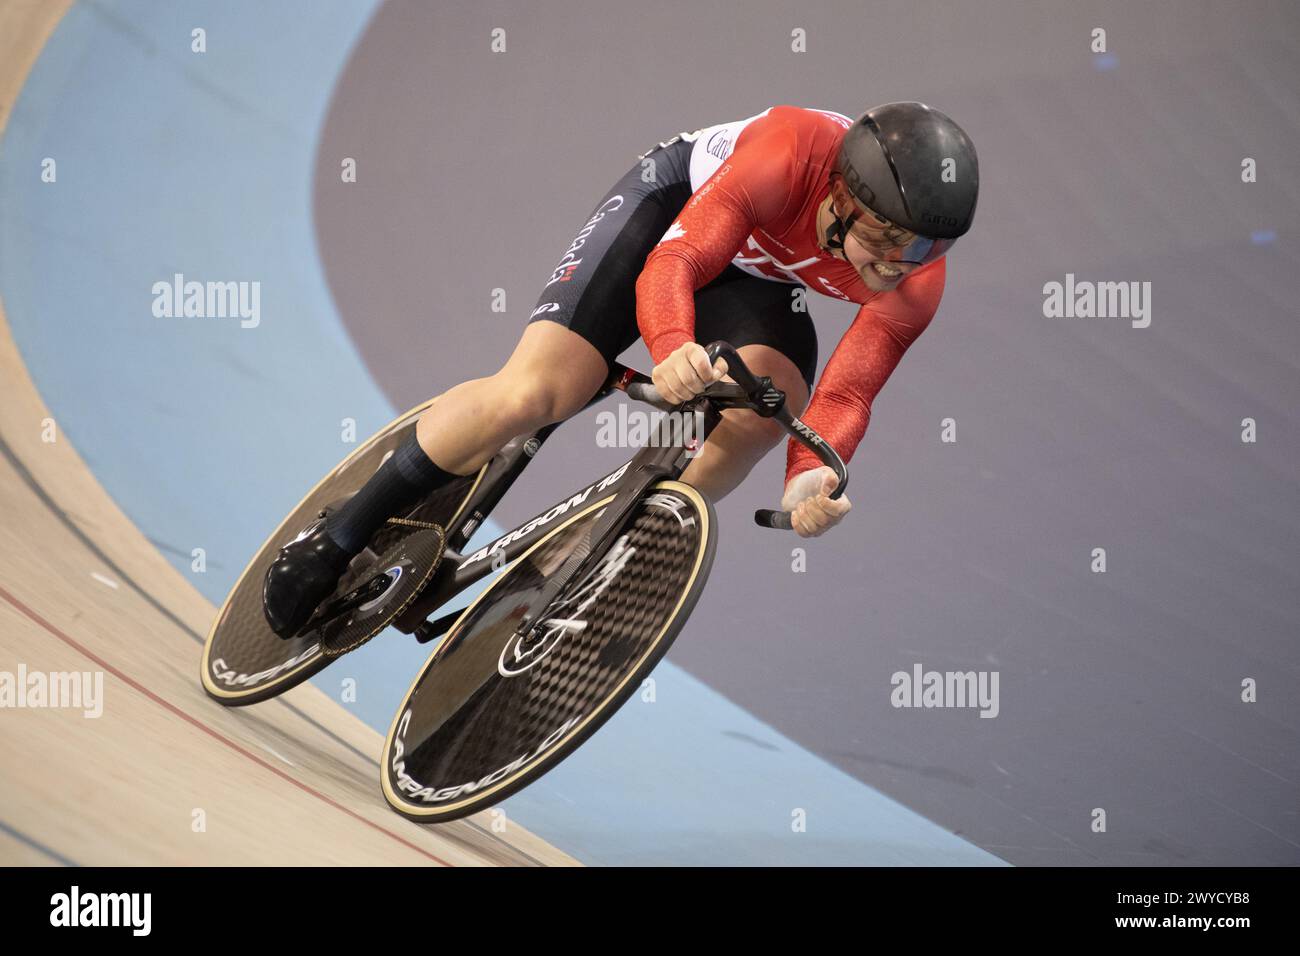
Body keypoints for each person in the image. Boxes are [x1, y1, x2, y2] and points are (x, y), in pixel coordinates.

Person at [263, 101, 980, 638]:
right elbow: (675, 262)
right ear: (840, 199)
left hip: (759, 279)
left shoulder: (915, 281)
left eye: (925, 248)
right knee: (543, 389)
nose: (900, 264)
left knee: (768, 408)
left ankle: (577, 568)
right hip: (674, 215)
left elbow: (847, 393)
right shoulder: (786, 154)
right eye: (887, 237)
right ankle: (338, 536)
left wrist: (809, 482)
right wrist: (670, 350)